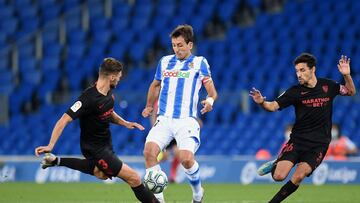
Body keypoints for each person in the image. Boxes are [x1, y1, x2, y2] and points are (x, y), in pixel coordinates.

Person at [34, 58, 159, 203]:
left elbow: (109, 112)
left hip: (106, 145)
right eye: (118, 77)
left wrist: (125, 123)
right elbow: (64, 119)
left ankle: (56, 161)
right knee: (134, 178)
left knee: (101, 173)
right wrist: (50, 145)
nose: (119, 80)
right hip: (95, 148)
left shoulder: (109, 94)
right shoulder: (87, 98)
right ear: (112, 77)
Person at [249, 53, 356, 203]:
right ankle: (276, 164)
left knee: (299, 176)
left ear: (313, 69)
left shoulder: (329, 86)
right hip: (298, 140)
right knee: (279, 176)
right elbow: (272, 106)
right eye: (297, 71)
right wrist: (261, 102)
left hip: (319, 144)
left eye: (302, 70)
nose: (299, 74)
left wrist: (347, 76)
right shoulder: (295, 91)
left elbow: (351, 92)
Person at [142, 24, 218, 203]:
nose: (177, 49)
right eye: (174, 45)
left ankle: (198, 192)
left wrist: (210, 101)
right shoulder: (165, 62)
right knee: (149, 152)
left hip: (186, 121)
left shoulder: (200, 63)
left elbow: (212, 92)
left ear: (190, 45)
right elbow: (155, 85)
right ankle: (159, 200)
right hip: (164, 119)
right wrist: (148, 106)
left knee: (186, 159)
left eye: (180, 45)